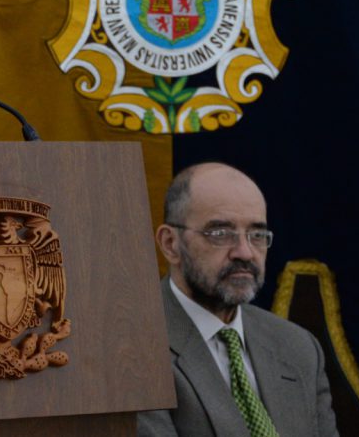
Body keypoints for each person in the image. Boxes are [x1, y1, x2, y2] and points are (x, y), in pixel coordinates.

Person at [137, 162, 338, 437]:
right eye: (220, 233)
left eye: (257, 235)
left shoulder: (299, 347)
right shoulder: (131, 347)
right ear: (170, 244)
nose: (245, 252)